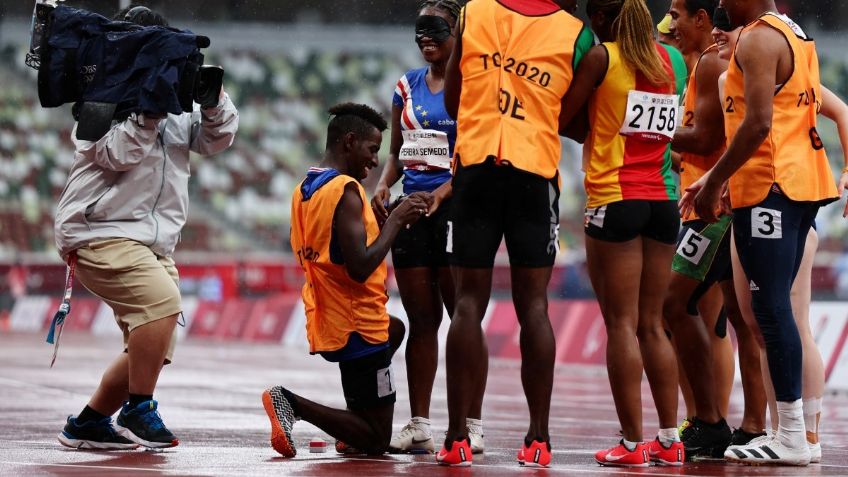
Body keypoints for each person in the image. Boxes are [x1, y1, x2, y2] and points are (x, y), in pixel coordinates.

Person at [54, 6, 239, 450]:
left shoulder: (173, 100)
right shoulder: (97, 101)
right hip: (97, 230)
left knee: (156, 338)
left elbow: (216, 140)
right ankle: (139, 408)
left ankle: (89, 422)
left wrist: (212, 100)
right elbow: (116, 155)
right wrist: (148, 109)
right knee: (161, 304)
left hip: (151, 240)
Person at [439, 0, 593, 467]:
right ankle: (538, 439)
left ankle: (456, 437)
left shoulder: (474, 12)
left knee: (467, 302)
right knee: (535, 307)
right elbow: (575, 121)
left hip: (476, 168)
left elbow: (452, 99)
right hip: (534, 172)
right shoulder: (575, 32)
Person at [686, 0, 838, 466]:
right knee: (766, 313)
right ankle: (793, 432)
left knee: (773, 311)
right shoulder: (791, 33)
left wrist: (715, 180)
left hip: (771, 185)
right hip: (793, 183)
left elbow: (758, 125)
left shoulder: (758, 38)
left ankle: (794, 433)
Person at [558, 0, 688, 467]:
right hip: (662, 200)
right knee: (653, 324)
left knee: (620, 325)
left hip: (614, 199)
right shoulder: (672, 60)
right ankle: (670, 442)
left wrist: (596, 119)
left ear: (600, 19)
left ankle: (632, 444)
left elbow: (561, 120)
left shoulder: (601, 58)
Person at [262, 103, 432, 458]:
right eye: (372, 150)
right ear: (350, 141)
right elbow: (360, 266)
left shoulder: (305, 189)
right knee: (374, 440)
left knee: (396, 330)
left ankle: (348, 424)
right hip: (358, 323)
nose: (374, 161)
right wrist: (395, 222)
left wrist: (373, 218)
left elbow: (331, 249)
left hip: (329, 315)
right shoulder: (346, 190)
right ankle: (291, 403)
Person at [371, 0, 486, 455]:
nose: (425, 38)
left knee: (464, 318)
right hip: (413, 211)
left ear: (457, 31)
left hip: (457, 208)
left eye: (435, 29)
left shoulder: (471, 84)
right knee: (422, 321)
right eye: (419, 30)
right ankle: (419, 423)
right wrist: (383, 184)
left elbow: (476, 153)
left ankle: (471, 424)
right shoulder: (406, 85)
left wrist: (444, 193)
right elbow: (398, 154)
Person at [663, 0, 740, 459]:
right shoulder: (701, 65)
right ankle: (710, 420)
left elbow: (709, 140)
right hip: (704, 203)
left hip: (712, 210)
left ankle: (713, 421)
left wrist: (647, 129)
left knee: (678, 306)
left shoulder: (712, 61)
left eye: (676, 14)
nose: (670, 24)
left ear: (702, 19)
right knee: (720, 319)